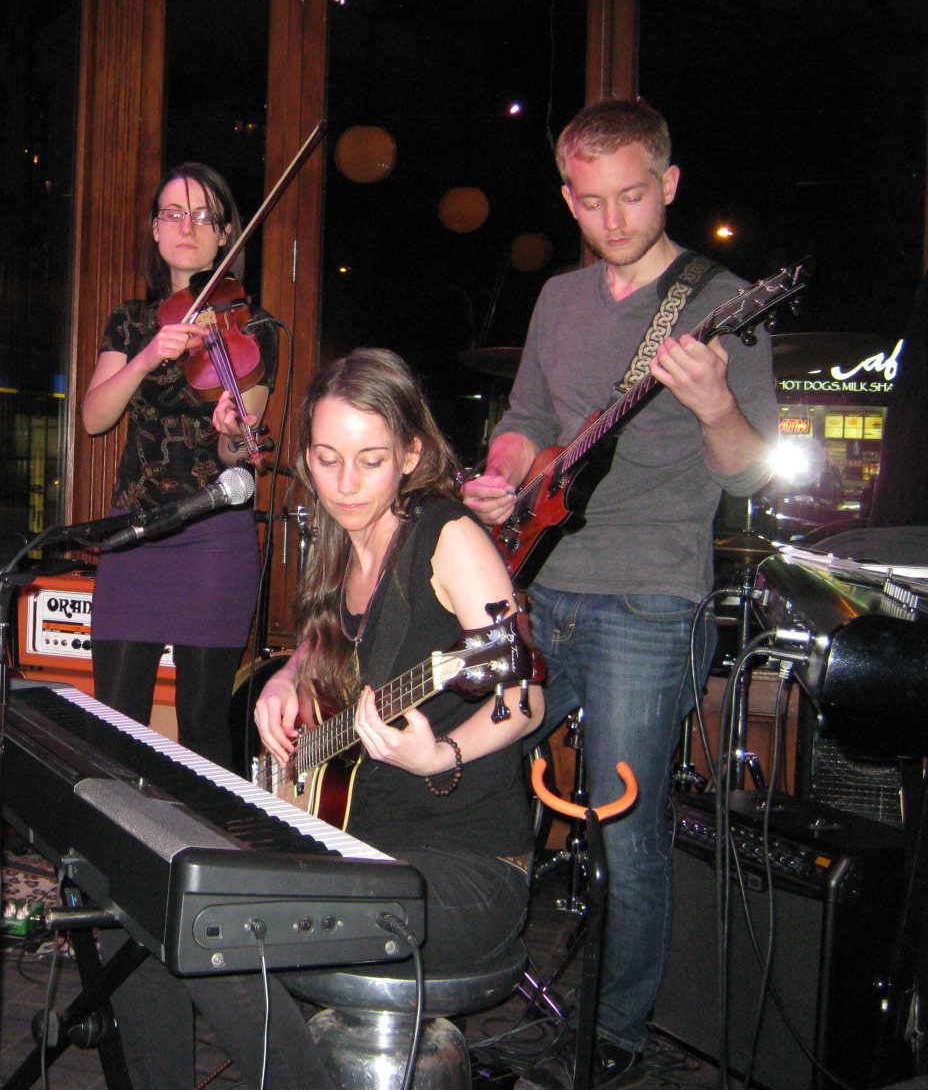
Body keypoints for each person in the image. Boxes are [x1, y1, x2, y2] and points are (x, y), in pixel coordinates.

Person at [109, 347, 542, 1089]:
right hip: (351, 848)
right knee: (144, 903)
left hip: (464, 871)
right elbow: (332, 643)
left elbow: (524, 697)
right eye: (327, 458)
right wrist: (288, 675)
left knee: (222, 923)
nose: (345, 484)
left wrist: (441, 754)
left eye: (371, 461)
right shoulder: (343, 543)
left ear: (411, 455)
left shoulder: (448, 537)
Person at [462, 99, 776, 1088]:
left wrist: (714, 404)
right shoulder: (558, 300)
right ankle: (485, 982)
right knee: (470, 772)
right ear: (567, 198)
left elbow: (748, 472)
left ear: (669, 184)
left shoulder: (723, 302)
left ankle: (615, 1035)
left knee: (622, 824)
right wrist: (504, 477)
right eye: (591, 202)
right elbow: (526, 419)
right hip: (538, 584)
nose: (613, 218)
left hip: (648, 597)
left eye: (632, 196)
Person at [80, 162, 277, 769]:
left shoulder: (252, 327)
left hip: (213, 538)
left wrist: (234, 434)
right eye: (173, 213)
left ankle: (206, 831)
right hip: (135, 531)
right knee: (114, 720)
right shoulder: (131, 320)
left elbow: (236, 454)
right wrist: (144, 358)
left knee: (201, 722)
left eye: (204, 216)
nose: (187, 226)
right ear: (155, 230)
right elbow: (94, 418)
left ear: (226, 235)